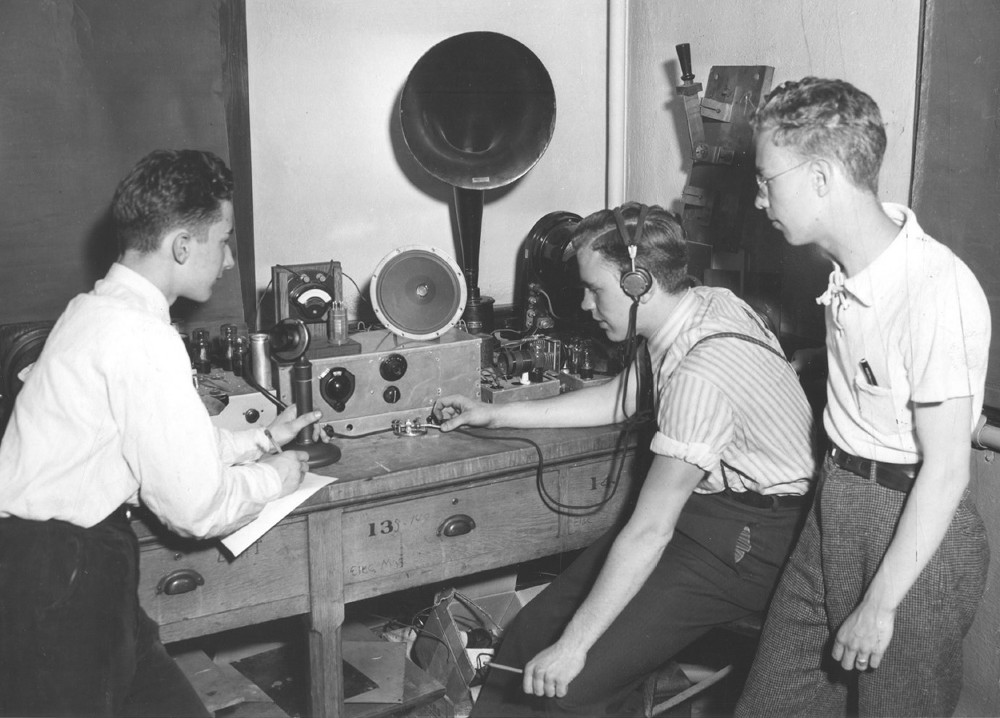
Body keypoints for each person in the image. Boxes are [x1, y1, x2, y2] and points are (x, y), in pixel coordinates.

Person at [432, 202, 817, 717]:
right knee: (530, 636)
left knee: (569, 684)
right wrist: (495, 415)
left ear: (640, 284)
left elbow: (650, 532)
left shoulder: (702, 374)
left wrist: (574, 647)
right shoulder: (701, 305)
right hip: (703, 514)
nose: (586, 304)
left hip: (752, 542)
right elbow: (623, 398)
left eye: (595, 289)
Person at [0, 149, 325, 717]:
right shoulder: (141, 337)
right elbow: (196, 508)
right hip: (64, 581)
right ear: (181, 246)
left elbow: (158, 442)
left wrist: (263, 441)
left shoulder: (95, 310)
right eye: (223, 240)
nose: (228, 260)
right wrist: (277, 476)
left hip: (66, 567)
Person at [736, 78, 991, 717]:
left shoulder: (935, 287)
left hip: (911, 530)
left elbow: (948, 469)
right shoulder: (848, 272)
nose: (759, 196)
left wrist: (879, 605)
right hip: (835, 503)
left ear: (821, 177)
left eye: (767, 179)